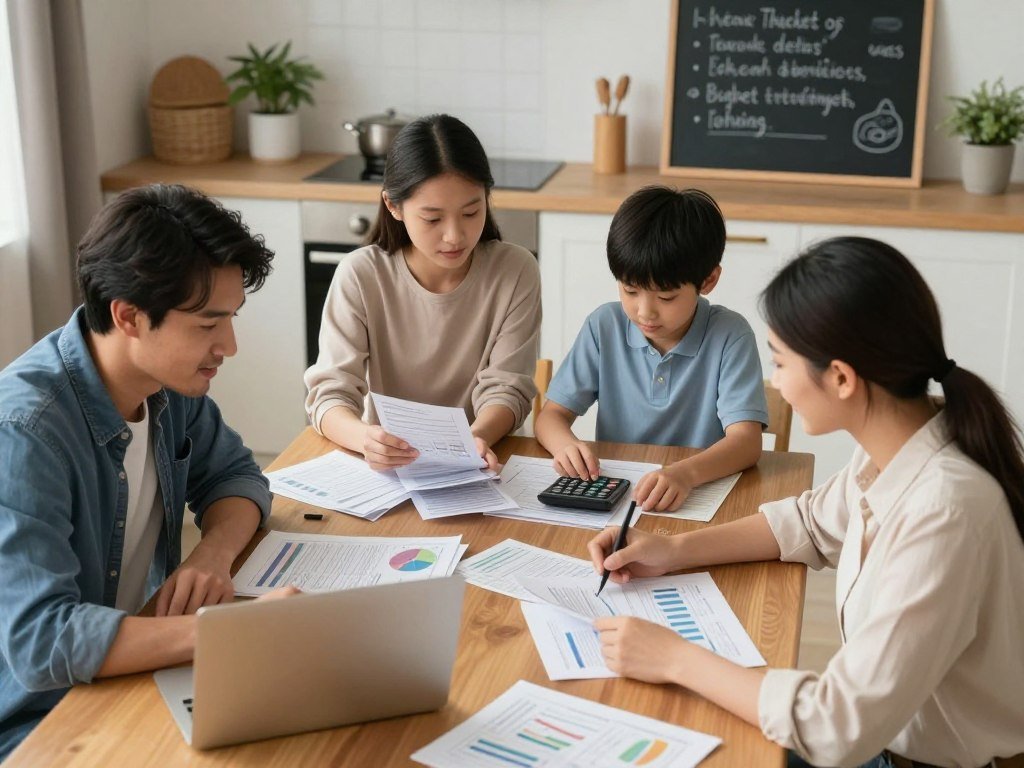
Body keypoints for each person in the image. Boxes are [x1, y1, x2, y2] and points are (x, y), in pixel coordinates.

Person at [587, 237, 1024, 768]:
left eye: (780, 363)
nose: (776, 383)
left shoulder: (946, 512)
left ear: (840, 377)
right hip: (887, 742)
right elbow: (809, 524)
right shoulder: (901, 448)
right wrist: (672, 550)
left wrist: (674, 658)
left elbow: (833, 727)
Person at [0, 184, 297, 760]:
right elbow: (43, 642)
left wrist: (210, 555)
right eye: (208, 324)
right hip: (43, 722)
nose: (228, 346)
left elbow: (239, 477)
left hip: (135, 671)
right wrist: (232, 632)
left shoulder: (167, 387)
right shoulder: (25, 433)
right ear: (129, 317)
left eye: (231, 319)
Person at [304, 114, 541, 472]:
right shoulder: (361, 275)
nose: (454, 236)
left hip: (485, 460)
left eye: (471, 212)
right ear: (393, 206)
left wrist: (474, 439)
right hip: (388, 468)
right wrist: (366, 439)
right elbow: (329, 394)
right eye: (433, 219)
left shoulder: (515, 271)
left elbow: (508, 389)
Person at [535, 186, 767, 512]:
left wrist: (684, 474)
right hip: (620, 499)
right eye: (630, 291)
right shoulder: (605, 326)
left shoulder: (730, 335)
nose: (645, 312)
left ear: (708, 280)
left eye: (666, 297)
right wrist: (566, 446)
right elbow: (550, 417)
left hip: (696, 497)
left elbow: (745, 442)